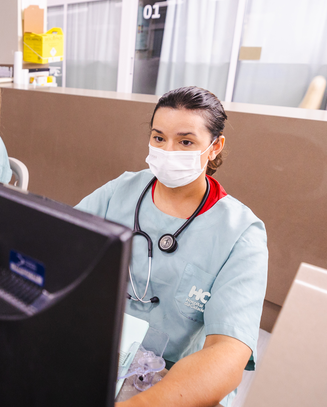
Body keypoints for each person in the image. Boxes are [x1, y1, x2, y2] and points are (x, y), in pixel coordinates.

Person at [75, 86, 268, 407]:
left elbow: (228, 352)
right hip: (99, 352)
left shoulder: (240, 233)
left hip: (174, 382)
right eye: (158, 138)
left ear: (215, 147)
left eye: (186, 141)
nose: (168, 151)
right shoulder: (120, 192)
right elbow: (56, 246)